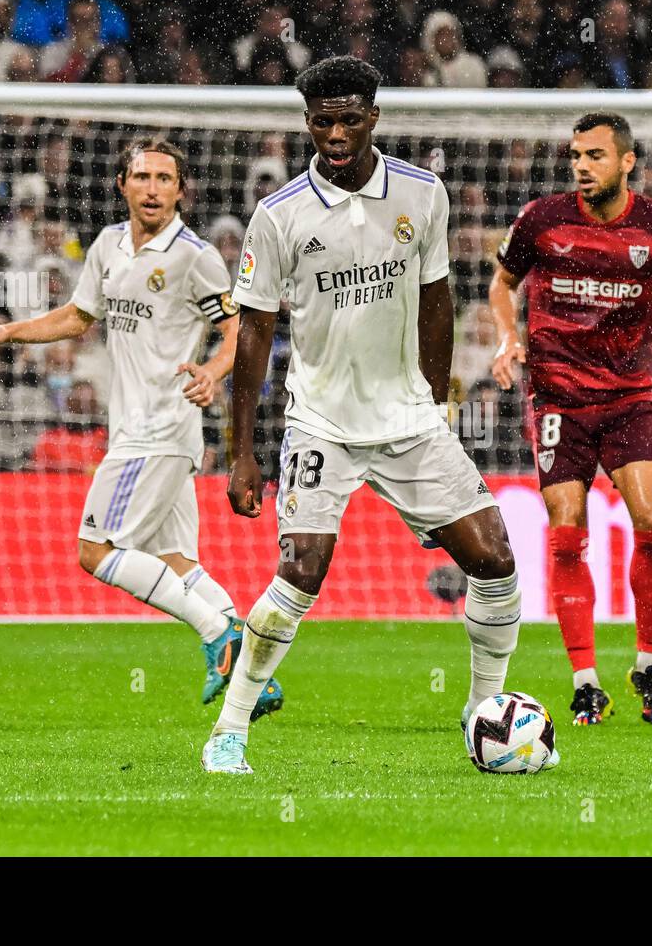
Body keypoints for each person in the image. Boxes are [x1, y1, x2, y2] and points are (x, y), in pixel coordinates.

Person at [207, 56, 530, 775]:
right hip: (321, 419)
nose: (335, 133)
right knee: (300, 573)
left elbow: (438, 300)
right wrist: (241, 451)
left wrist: (437, 402)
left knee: (496, 559)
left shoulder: (423, 193)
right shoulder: (279, 214)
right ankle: (229, 731)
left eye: (349, 118)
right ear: (308, 124)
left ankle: (483, 712)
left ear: (373, 117)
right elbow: (254, 332)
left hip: (409, 419)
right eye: (322, 120)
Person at [0, 138, 282, 714]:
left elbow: (241, 332)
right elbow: (77, 317)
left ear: (182, 190)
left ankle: (219, 636)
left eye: (165, 178)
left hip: (158, 429)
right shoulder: (109, 245)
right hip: (143, 431)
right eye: (143, 177)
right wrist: (8, 331)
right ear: (123, 184)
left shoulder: (194, 256)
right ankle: (257, 673)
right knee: (177, 563)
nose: (154, 188)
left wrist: (212, 372)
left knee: (94, 549)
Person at [488, 112, 652, 727]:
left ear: (627, 161)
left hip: (630, 399)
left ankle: (649, 663)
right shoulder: (542, 219)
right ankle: (585, 681)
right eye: (575, 156)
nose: (582, 166)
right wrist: (509, 339)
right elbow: (500, 285)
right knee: (565, 527)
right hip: (558, 398)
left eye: (594, 155)